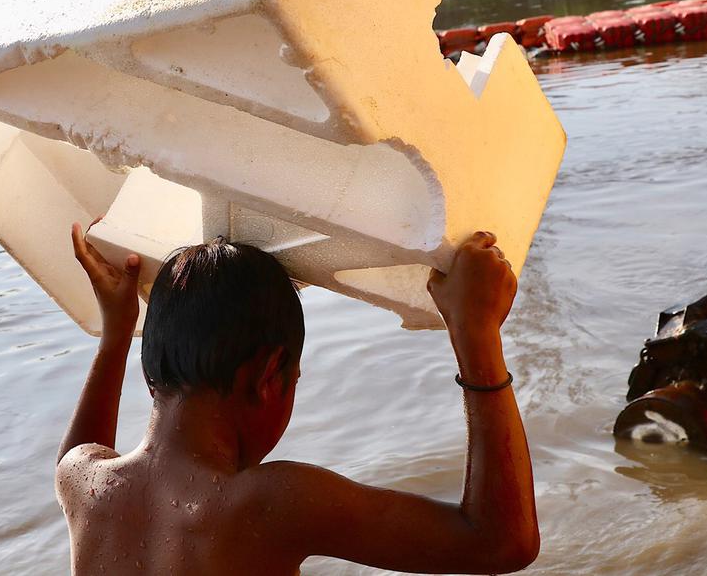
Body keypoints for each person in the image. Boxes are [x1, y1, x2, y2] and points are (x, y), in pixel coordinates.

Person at [57, 222, 538, 575]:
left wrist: (115, 335)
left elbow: (75, 456)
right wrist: (477, 336)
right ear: (270, 377)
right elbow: (500, 544)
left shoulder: (83, 484)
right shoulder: (271, 503)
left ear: (149, 369)